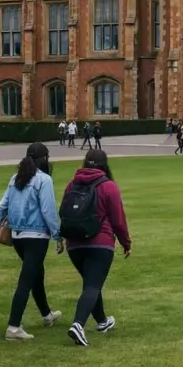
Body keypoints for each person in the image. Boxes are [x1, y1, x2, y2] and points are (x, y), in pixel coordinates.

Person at [0, 142, 64, 340]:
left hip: (18, 236)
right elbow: (48, 210)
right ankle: (13, 326)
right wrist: (57, 235)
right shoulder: (44, 180)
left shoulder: (16, 178)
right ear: (44, 159)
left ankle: (47, 315)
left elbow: (3, 204)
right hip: (36, 236)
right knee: (27, 279)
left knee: (36, 273)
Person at [62, 149, 132, 347]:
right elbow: (118, 220)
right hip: (100, 242)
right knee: (93, 285)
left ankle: (102, 321)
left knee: (91, 282)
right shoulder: (109, 187)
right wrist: (126, 242)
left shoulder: (71, 184)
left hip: (74, 244)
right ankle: (78, 324)